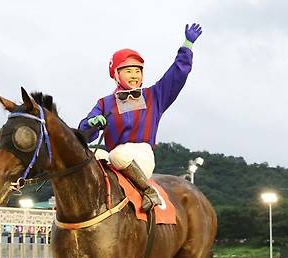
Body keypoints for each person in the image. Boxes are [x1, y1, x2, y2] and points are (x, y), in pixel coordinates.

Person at [78, 23, 203, 211]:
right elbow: (83, 134)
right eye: (128, 70)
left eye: (138, 70)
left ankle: (148, 191)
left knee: (118, 155)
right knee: (91, 157)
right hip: (113, 156)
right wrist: (91, 124)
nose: (134, 75)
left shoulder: (154, 96)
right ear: (116, 75)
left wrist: (187, 46)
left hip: (140, 154)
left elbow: (176, 75)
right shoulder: (105, 103)